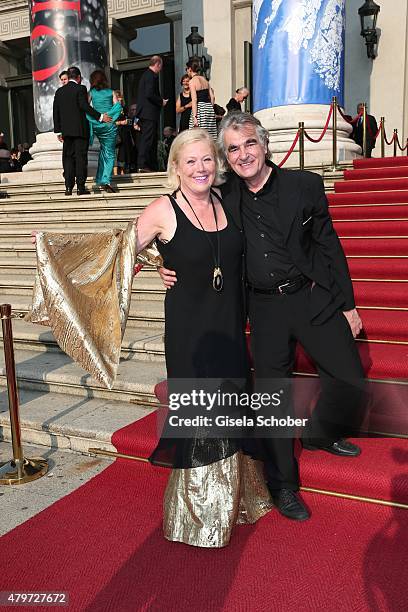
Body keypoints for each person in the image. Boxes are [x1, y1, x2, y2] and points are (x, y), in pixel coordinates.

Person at [159, 112, 366, 522]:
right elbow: (186, 229)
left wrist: (348, 304)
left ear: (265, 145)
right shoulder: (223, 196)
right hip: (264, 307)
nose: (243, 154)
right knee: (273, 399)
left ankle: (319, 433)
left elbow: (329, 246)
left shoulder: (304, 185)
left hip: (310, 297)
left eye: (249, 144)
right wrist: (161, 263)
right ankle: (284, 486)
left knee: (350, 380)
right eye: (233, 149)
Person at [135, 128, 272, 547]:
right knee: (201, 415)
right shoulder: (162, 209)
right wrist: (153, 261)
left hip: (229, 325)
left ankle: (239, 503)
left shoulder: (225, 201)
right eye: (190, 161)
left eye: (207, 160)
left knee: (230, 408)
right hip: (190, 332)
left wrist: (160, 260)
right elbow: (120, 250)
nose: (200, 168)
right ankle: (198, 522)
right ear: (175, 168)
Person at [53, 66, 112, 196]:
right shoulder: (81, 89)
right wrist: (101, 116)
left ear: (69, 77)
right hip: (80, 131)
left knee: (68, 159)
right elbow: (84, 106)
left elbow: (55, 112)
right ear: (78, 78)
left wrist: (58, 131)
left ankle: (68, 188)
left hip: (66, 133)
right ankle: (80, 187)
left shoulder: (59, 92)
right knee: (80, 159)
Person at [87, 71, 123, 192]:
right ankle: (105, 180)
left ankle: (100, 178)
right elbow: (118, 106)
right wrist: (109, 116)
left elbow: (86, 108)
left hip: (97, 124)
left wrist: (97, 117)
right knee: (109, 153)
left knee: (103, 151)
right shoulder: (111, 92)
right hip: (108, 125)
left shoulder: (91, 93)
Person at [136, 55, 168, 172]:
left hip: (146, 113)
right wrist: (161, 101)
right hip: (148, 113)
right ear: (158, 64)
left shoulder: (146, 75)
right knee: (148, 139)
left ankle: (150, 165)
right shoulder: (151, 76)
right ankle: (142, 164)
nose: (161, 69)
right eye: (161, 66)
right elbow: (149, 93)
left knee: (151, 139)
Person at [186, 59, 217, 140]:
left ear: (190, 69)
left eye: (187, 70)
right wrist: (210, 107)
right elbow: (212, 97)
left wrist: (195, 117)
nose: (187, 72)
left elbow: (194, 100)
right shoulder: (205, 80)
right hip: (209, 108)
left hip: (200, 109)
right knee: (210, 136)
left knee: (198, 137)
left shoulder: (192, 81)